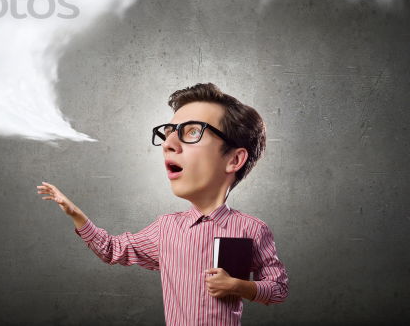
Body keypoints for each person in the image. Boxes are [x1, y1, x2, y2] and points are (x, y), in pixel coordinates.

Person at [37, 82, 288, 325]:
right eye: (167, 133)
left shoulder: (252, 229)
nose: (168, 144)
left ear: (234, 159)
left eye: (192, 131)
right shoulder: (165, 229)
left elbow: (278, 288)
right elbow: (112, 249)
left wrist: (238, 286)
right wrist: (75, 214)